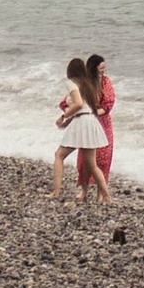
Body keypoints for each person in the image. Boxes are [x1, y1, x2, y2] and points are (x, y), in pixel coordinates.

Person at [53, 57, 108, 200]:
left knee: (59, 155)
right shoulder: (88, 84)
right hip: (90, 121)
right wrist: (69, 119)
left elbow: (77, 104)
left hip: (82, 123)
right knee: (92, 165)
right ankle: (107, 197)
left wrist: (63, 116)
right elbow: (85, 107)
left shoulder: (71, 83)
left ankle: (55, 192)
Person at [77, 52, 116, 194]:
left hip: (103, 123)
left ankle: (101, 193)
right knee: (85, 159)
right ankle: (84, 191)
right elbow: (73, 100)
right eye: (101, 68)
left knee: (104, 159)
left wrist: (96, 112)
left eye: (104, 67)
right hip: (87, 122)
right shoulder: (84, 83)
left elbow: (109, 103)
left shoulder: (106, 82)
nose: (103, 70)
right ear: (93, 68)